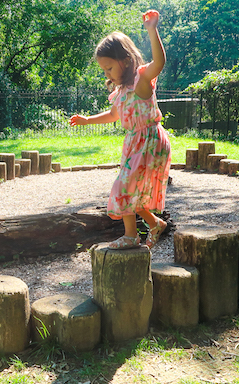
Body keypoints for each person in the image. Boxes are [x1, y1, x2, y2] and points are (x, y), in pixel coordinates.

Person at [70, 10, 171, 250]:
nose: (106, 74)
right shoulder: (121, 91)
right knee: (130, 190)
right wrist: (87, 120)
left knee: (123, 187)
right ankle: (155, 223)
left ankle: (131, 235)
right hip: (135, 142)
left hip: (149, 140)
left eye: (109, 68)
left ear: (125, 61)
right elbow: (114, 115)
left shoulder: (140, 79)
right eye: (103, 70)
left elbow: (159, 63)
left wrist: (152, 30)